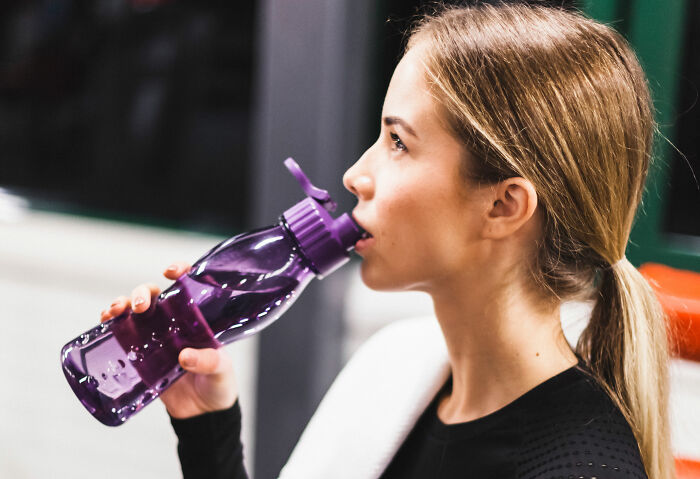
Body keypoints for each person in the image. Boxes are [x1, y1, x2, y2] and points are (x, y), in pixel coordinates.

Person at [103, 4, 675, 478]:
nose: (356, 174)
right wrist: (208, 429)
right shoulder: (400, 371)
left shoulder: (578, 469)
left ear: (503, 205)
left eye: (398, 142)